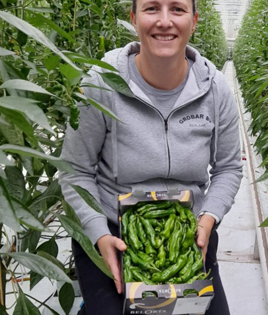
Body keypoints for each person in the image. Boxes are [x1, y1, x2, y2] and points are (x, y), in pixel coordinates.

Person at [59, 0, 242, 313]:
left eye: (178, 9)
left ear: (194, 21)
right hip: (114, 233)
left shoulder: (216, 90)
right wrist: (99, 234)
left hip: (188, 233)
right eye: (152, 8)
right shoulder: (100, 83)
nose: (165, 21)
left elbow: (228, 169)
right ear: (134, 18)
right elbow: (74, 171)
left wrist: (208, 217)